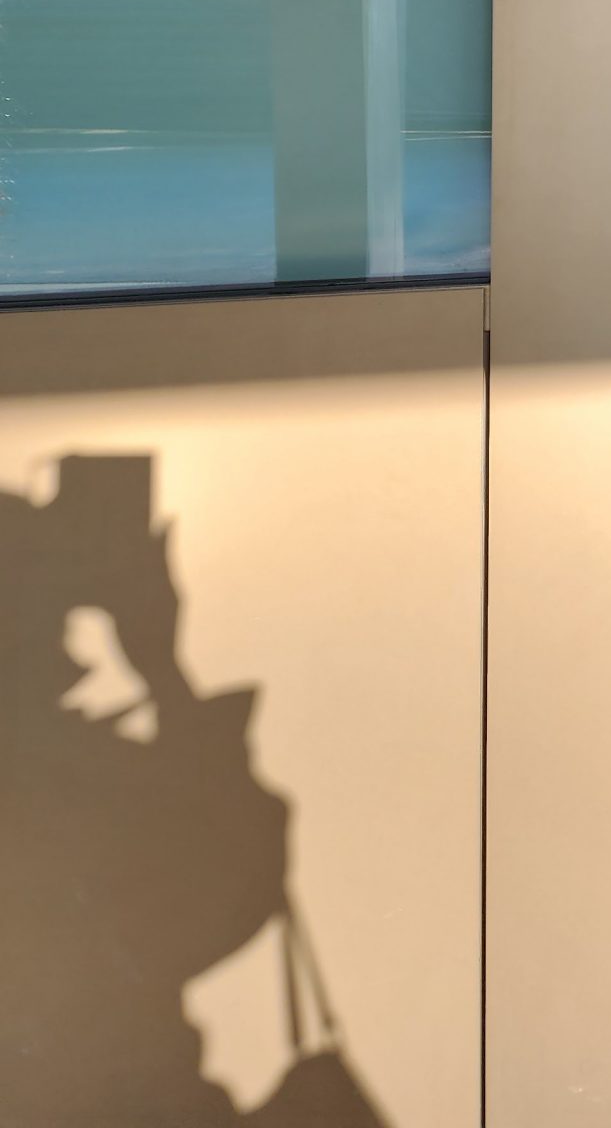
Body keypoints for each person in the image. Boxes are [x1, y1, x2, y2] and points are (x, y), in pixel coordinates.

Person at [0, 458, 381, 1125]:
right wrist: (161, 665)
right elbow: (233, 886)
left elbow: (231, 885)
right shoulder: (74, 789)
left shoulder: (81, 779)